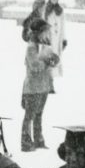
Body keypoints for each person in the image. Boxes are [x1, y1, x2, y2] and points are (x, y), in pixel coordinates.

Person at [21, 18, 59, 151]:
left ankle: (38, 139)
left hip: (43, 85)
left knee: (39, 114)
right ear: (39, 33)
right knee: (29, 116)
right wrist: (47, 62)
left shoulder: (45, 45)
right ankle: (25, 142)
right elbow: (35, 66)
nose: (48, 35)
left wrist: (54, 59)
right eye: (46, 32)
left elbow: (51, 60)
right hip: (32, 87)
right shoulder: (32, 47)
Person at [43, 0, 67, 79]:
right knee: (47, 58)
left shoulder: (60, 10)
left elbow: (63, 25)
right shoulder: (45, 9)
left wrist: (64, 39)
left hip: (57, 38)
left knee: (55, 59)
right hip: (48, 39)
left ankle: (52, 80)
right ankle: (47, 81)